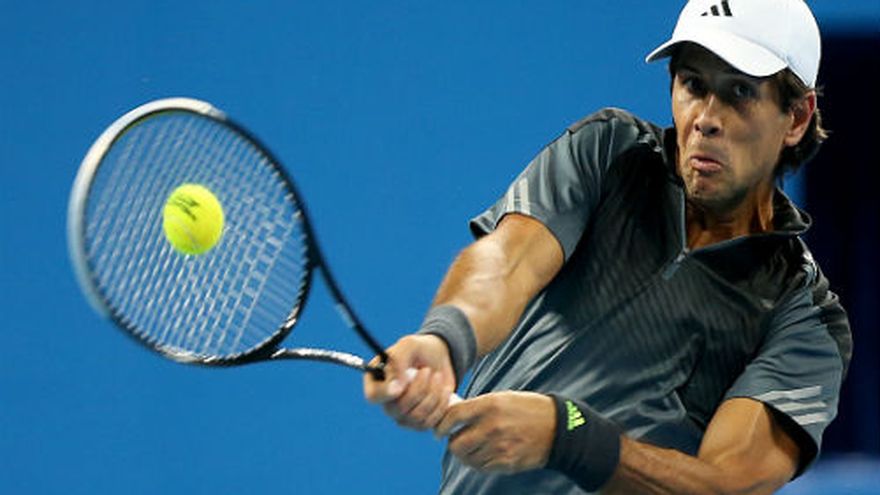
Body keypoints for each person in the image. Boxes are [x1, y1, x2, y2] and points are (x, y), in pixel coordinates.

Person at [364, 0, 853, 493]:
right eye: (692, 84)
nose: (706, 118)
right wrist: (446, 339)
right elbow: (508, 260)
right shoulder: (609, 152)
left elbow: (725, 485)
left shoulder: (806, 318)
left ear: (796, 118)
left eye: (740, 91)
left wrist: (568, 436)